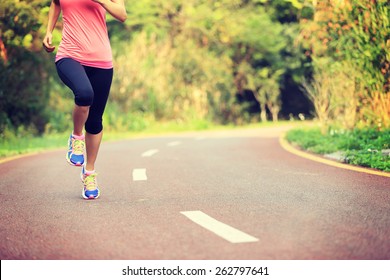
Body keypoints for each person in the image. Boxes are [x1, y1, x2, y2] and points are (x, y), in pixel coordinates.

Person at [43, 0, 127, 199]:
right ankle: (76, 137)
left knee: (95, 120)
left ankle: (89, 172)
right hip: (69, 55)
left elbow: (122, 14)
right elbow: (56, 4)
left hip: (101, 61)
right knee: (84, 93)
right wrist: (49, 31)